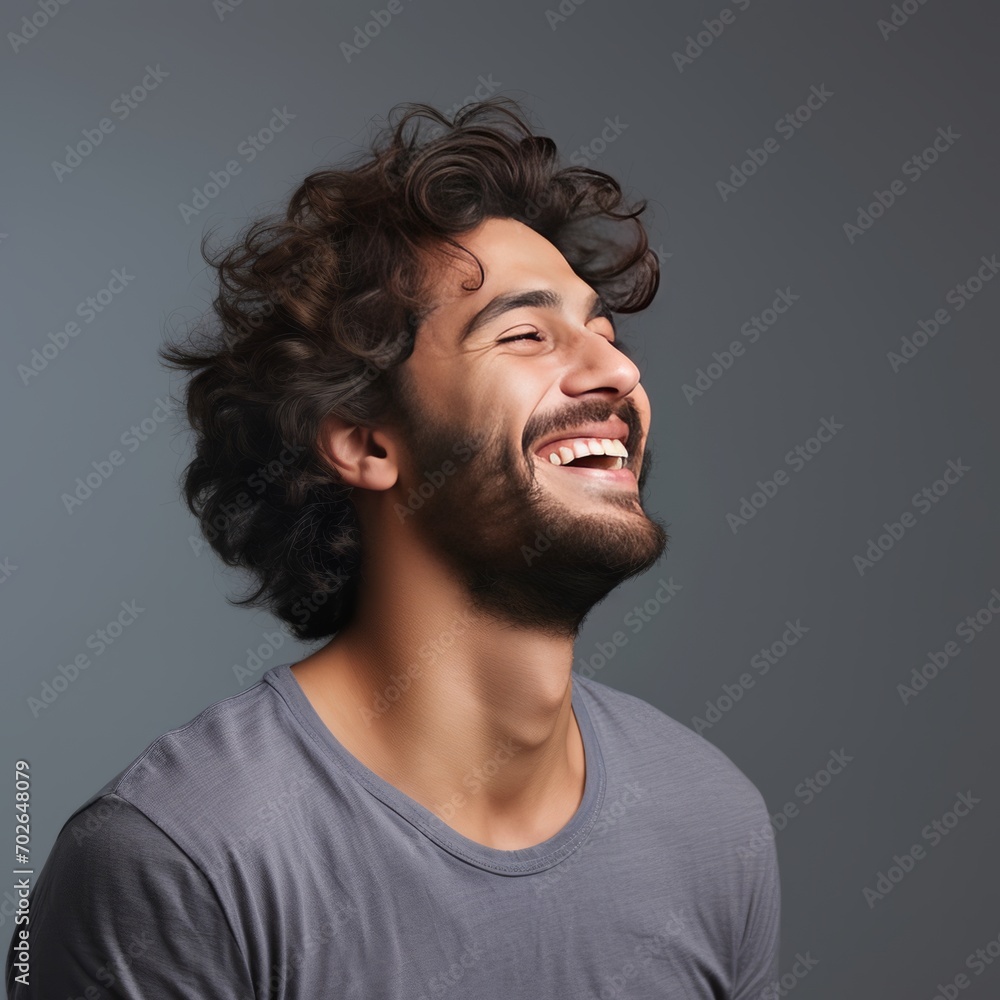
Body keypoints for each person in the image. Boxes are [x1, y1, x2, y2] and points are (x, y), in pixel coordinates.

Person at [6, 98, 780, 999]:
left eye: (604, 333)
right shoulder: (182, 856)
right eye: (527, 333)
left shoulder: (710, 821)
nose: (619, 371)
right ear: (368, 443)